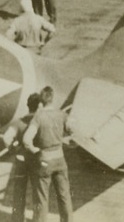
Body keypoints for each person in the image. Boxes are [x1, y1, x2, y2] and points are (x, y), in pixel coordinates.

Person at [21, 86, 73, 222]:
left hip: (45, 161)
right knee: (64, 196)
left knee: (42, 198)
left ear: (40, 101)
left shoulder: (38, 117)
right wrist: (65, 140)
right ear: (52, 98)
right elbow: (72, 130)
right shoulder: (62, 114)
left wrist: (34, 150)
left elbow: (26, 139)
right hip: (60, 160)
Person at [1, 93, 42, 221]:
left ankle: (17, 219)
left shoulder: (19, 122)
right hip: (37, 161)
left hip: (21, 161)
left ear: (28, 106)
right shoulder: (41, 123)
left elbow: (7, 138)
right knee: (38, 193)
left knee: (18, 192)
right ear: (39, 106)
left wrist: (13, 149)